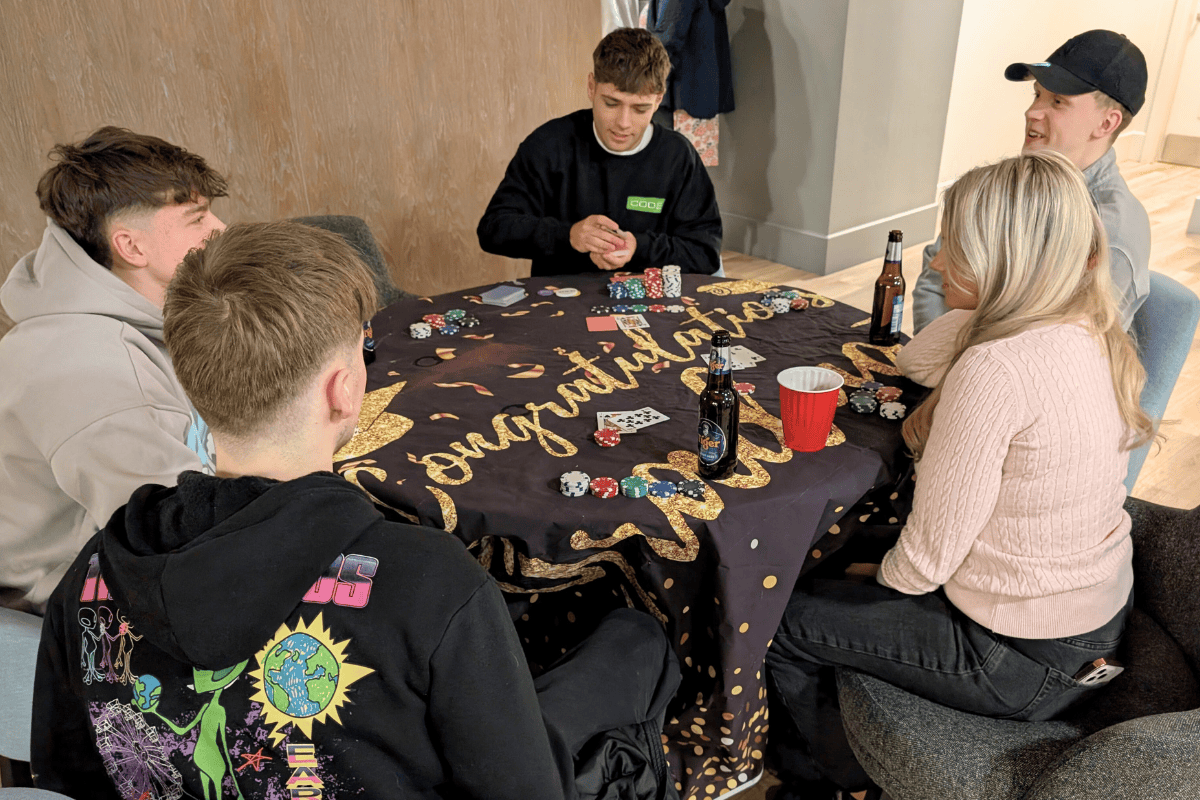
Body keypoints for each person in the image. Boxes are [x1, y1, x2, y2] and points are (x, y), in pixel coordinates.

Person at [31, 221, 679, 799]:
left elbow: (66, 778)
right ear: (345, 391)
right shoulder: (431, 582)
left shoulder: (90, 574)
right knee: (642, 640)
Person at [765, 152, 1153, 798]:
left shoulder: (996, 369)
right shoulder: (1089, 327)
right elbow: (917, 359)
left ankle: (821, 780)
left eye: (956, 251)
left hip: (1018, 656)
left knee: (782, 618)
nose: (938, 264)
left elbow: (924, 563)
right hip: (1091, 621)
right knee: (832, 556)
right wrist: (979, 314)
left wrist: (870, 576)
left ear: (1004, 262)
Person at [0, 127, 227, 612]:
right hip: (63, 617)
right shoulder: (96, 372)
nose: (220, 229)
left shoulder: (145, 319)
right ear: (131, 246)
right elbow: (185, 544)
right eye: (198, 218)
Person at [912, 29, 1151, 333]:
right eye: (1037, 94)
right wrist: (935, 359)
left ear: (1107, 123)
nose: (1032, 111)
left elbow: (1073, 355)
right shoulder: (1006, 185)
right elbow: (934, 283)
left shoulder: (1111, 236)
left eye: (1058, 102)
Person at [477, 26, 722, 277]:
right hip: (560, 303)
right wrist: (568, 235)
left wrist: (639, 247)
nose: (623, 123)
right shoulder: (548, 144)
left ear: (658, 99)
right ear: (592, 87)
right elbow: (493, 228)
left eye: (640, 109)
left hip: (647, 306)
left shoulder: (678, 157)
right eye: (611, 103)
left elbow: (705, 253)